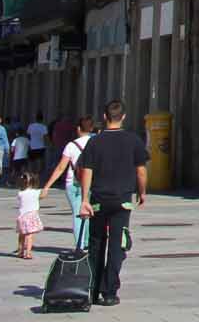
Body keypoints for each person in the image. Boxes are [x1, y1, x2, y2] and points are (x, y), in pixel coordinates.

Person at [77, 101, 147, 307]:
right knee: (118, 245)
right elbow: (141, 170)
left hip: (99, 200)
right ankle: (109, 292)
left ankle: (93, 289)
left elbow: (86, 170)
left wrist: (84, 199)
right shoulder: (133, 140)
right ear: (123, 117)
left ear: (105, 117)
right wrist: (142, 192)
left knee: (96, 243)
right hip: (122, 201)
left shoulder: (94, 142)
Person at [42, 117, 94, 251]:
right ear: (91, 128)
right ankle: (88, 243)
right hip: (92, 183)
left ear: (78, 128)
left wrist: (47, 186)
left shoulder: (71, 146)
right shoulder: (96, 143)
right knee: (89, 214)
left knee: (78, 215)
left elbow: (60, 168)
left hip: (74, 184)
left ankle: (80, 246)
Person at [11, 167, 44, 260]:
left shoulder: (20, 193)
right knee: (30, 235)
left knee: (21, 234)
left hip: (22, 216)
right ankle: (28, 252)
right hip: (32, 215)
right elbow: (43, 195)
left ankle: (21, 251)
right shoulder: (36, 192)